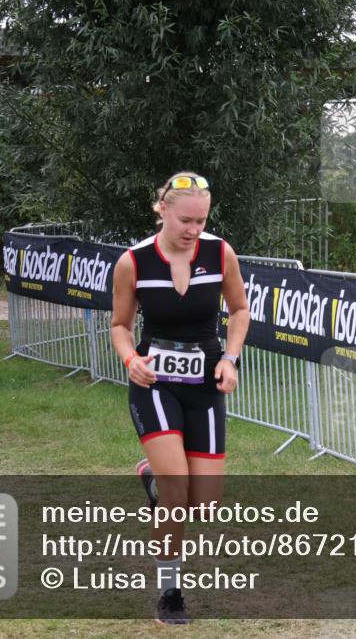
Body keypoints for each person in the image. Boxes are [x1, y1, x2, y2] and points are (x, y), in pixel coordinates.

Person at [110, 171, 250, 624]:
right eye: (186, 219)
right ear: (162, 210)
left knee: (205, 502)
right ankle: (170, 592)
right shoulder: (134, 262)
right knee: (176, 490)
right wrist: (130, 358)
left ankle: (153, 476)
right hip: (155, 384)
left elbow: (240, 309)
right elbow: (119, 325)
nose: (194, 229)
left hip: (205, 384)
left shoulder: (219, 252)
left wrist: (230, 358)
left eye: (201, 220)